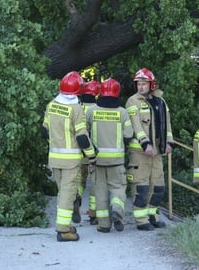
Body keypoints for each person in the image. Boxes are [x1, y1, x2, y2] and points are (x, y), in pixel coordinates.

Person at [43, 71, 97, 241]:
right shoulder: (76, 109)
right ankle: (63, 230)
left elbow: (45, 130)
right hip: (71, 161)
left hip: (54, 158)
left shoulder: (51, 105)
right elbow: (82, 137)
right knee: (68, 193)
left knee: (63, 192)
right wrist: (92, 155)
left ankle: (65, 223)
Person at [125, 67, 173, 231]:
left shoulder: (161, 101)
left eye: (144, 84)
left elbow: (166, 123)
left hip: (157, 151)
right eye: (138, 84)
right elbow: (136, 124)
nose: (140, 87)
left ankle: (153, 215)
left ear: (151, 85)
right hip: (140, 152)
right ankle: (141, 220)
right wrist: (145, 143)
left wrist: (169, 142)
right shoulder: (133, 101)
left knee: (158, 186)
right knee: (141, 187)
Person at [86, 78, 133, 233]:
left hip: (97, 160)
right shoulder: (122, 113)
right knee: (118, 187)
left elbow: (83, 133)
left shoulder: (92, 111)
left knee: (100, 192)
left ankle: (104, 225)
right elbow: (129, 135)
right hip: (116, 161)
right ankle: (117, 208)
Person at [75, 79, 101, 224]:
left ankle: (77, 197)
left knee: (80, 181)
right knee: (95, 184)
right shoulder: (98, 109)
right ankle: (93, 214)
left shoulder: (77, 107)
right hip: (92, 153)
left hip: (77, 153)